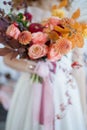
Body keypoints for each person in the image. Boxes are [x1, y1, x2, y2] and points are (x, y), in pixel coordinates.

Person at [3, 0, 87, 130]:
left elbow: (78, 67)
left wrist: (84, 108)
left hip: (64, 90)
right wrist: (35, 67)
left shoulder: (72, 16)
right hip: (31, 87)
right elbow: (7, 59)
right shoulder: (22, 13)